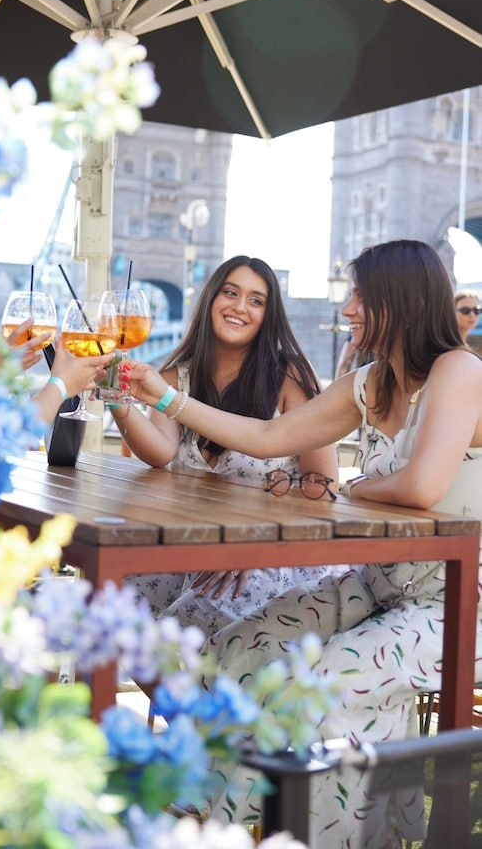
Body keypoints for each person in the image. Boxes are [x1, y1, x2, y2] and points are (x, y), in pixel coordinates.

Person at [121, 239, 482, 847]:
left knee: (327, 685)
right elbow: (266, 436)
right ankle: (212, 819)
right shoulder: (368, 382)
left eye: (360, 298)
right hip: (382, 586)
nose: (348, 312)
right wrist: (165, 398)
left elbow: (422, 485)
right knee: (232, 654)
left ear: (400, 300)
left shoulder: (460, 370)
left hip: (461, 601)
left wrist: (361, 485)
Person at [109, 255, 340, 637]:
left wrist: (258, 544)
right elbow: (160, 452)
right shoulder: (176, 376)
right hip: (196, 545)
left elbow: (324, 484)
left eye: (256, 300)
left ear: (269, 315)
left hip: (276, 546)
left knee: (196, 614)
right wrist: (119, 403)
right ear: (211, 300)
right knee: (120, 603)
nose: (239, 307)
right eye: (230, 293)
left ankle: (213, 697)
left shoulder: (290, 377)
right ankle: (175, 700)